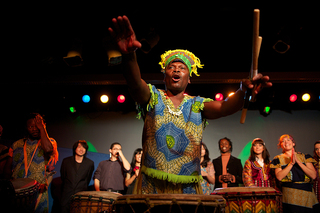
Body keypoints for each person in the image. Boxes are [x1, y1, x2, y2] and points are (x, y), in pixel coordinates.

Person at [108, 15, 271, 194]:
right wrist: (129, 56)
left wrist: (243, 91)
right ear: (165, 76)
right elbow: (135, 84)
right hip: (152, 185)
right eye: (171, 67)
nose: (176, 69)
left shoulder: (197, 105)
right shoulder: (153, 97)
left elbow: (225, 107)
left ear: (189, 79)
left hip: (187, 188)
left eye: (182, 67)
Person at [11, 113, 58, 213]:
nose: (34, 129)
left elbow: (48, 149)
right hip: (17, 192)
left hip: (37, 192)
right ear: (26, 128)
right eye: (31, 127)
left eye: (37, 126)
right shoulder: (17, 144)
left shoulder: (50, 142)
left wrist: (42, 129)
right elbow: (10, 167)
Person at [270, 134, 319, 213]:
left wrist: (298, 162)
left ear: (293, 143)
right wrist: (291, 163)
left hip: (307, 193)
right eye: (283, 141)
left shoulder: (305, 156)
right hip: (290, 194)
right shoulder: (278, 158)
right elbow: (279, 177)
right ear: (281, 145)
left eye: (288, 140)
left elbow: (313, 176)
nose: (286, 142)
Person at [60, 140, 94, 213]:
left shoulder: (89, 163)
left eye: (84, 148)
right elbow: (63, 176)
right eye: (79, 147)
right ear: (75, 148)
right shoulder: (66, 161)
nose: (81, 149)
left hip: (80, 196)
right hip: (66, 196)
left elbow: (87, 179)